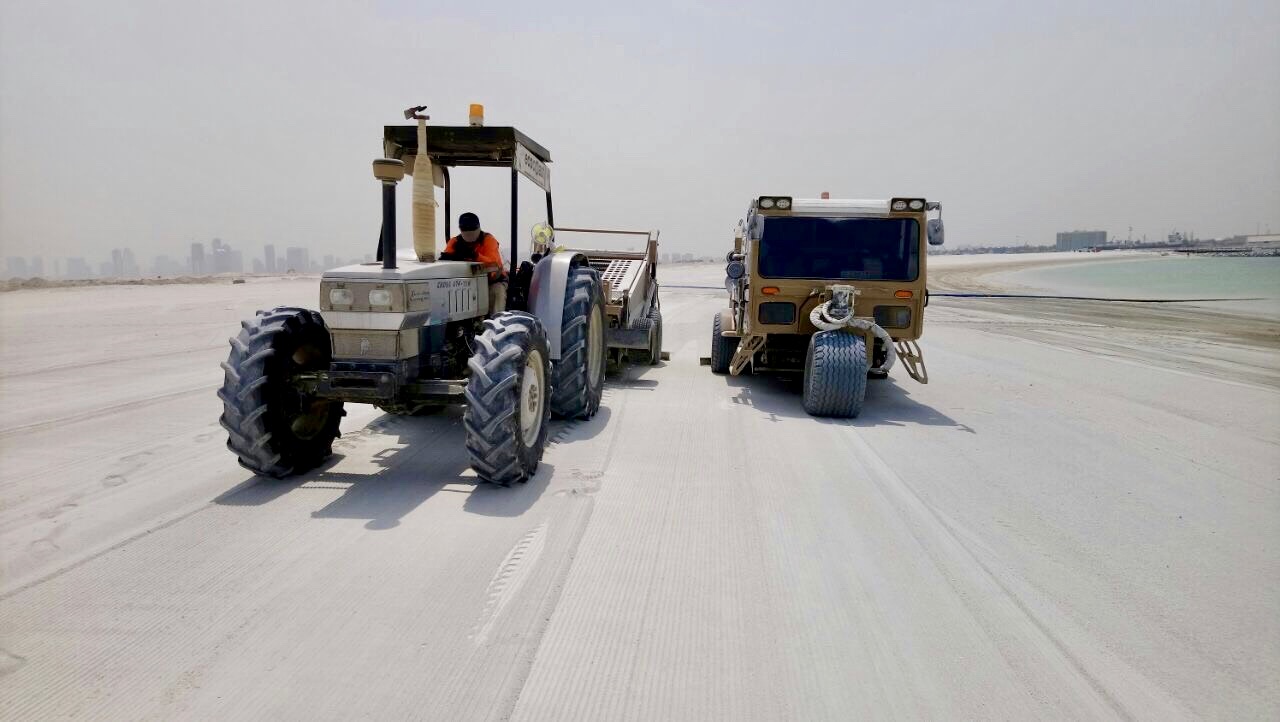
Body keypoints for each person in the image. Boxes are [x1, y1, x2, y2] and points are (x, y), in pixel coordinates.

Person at [440, 212, 508, 315]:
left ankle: (497, 323)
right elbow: (444, 262)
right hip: (466, 283)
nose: (470, 239)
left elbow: (494, 264)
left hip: (491, 282)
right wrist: (450, 258)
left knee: (497, 292)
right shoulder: (454, 242)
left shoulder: (488, 240)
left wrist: (475, 256)